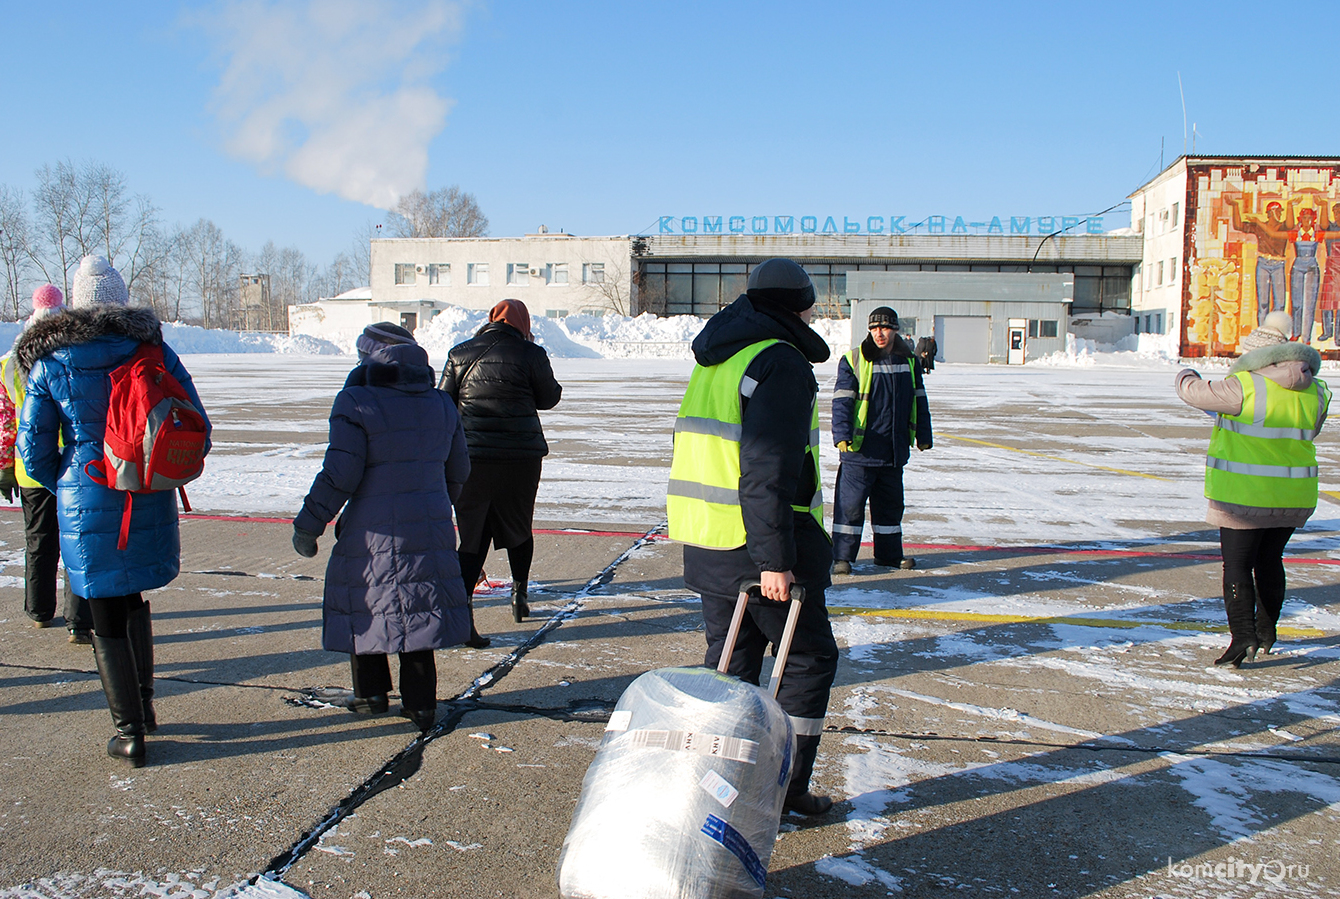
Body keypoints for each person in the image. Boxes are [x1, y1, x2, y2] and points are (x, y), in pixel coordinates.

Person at [15, 255, 210, 766]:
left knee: (102, 604)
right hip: (144, 485)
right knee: (133, 595)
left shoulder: (52, 362)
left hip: (86, 487)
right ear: (121, 300)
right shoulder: (153, 350)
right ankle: (144, 709)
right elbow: (196, 419)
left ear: (78, 303)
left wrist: (68, 473)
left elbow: (32, 452)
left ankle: (128, 732)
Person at [667, 258, 838, 817]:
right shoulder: (779, 363)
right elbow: (765, 466)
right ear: (800, 305)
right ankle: (781, 789)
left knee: (732, 666)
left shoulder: (721, 355)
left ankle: (722, 786)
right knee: (809, 660)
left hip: (710, 541)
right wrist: (775, 560)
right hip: (754, 546)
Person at [293, 323, 471, 732]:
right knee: (420, 612)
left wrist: (310, 523)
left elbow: (340, 474)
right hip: (429, 527)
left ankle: (372, 695)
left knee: (367, 607)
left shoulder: (356, 401)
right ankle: (422, 705)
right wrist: (437, 501)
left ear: (369, 357)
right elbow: (459, 468)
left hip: (372, 532)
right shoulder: (441, 403)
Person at [1175, 311, 1330, 667]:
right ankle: (1266, 630)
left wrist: (1186, 373)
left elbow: (1193, 393)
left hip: (1244, 497)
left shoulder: (1244, 386)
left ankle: (1243, 635)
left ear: (1256, 356)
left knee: (1238, 565)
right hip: (1293, 496)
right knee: (1270, 560)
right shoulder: (1317, 390)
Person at [440, 299, 561, 639]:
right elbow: (549, 398)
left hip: (472, 458)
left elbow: (443, 401)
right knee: (519, 524)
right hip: (520, 459)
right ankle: (519, 595)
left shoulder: (459, 353)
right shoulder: (531, 354)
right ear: (523, 323)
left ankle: (463, 610)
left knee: (473, 533)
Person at [0, 284, 92, 642]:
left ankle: (39, 610)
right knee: (74, 539)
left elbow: (7, 421)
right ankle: (79, 621)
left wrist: (5, 464)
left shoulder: (8, 365)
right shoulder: (71, 356)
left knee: (38, 540)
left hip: (28, 466)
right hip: (71, 464)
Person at [830, 307, 932, 575]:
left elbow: (919, 400)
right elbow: (842, 400)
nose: (879, 333)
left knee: (890, 509)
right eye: (874, 328)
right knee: (849, 508)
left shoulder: (908, 360)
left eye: (885, 328)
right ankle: (841, 557)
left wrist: (924, 434)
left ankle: (888, 556)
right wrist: (841, 434)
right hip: (860, 451)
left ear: (895, 330)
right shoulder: (854, 359)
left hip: (893, 450)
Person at [1228, 197, 1289, 326]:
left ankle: (1276, 328)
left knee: (1280, 302)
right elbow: (1238, 225)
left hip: (1278, 264)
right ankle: (1262, 329)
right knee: (1263, 302)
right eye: (1277, 211)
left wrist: (1290, 205)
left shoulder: (1283, 227)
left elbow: (1276, 231)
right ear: (1271, 213)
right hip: (1263, 264)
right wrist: (1235, 206)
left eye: (1280, 211)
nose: (1280, 214)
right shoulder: (1258, 227)